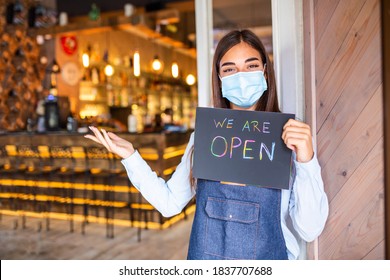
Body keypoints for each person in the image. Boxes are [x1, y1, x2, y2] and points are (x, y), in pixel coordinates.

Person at [85, 29, 329, 260]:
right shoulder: (207, 135)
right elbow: (169, 204)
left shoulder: (289, 135)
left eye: (251, 66)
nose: (241, 76)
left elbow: (309, 229)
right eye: (230, 69)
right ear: (219, 78)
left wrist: (306, 160)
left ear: (265, 72)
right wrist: (131, 156)